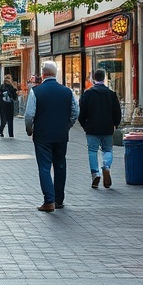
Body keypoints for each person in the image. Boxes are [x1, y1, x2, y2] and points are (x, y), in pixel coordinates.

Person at [24, 61, 79, 212]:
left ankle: (49, 201)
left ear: (43, 74)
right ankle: (59, 199)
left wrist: (30, 129)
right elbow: (75, 112)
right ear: (55, 74)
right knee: (60, 165)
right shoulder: (67, 91)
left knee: (44, 167)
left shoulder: (36, 91)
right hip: (61, 135)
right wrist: (67, 125)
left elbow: (29, 115)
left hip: (42, 136)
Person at [78, 68, 123, 189]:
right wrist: (115, 124)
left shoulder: (87, 94)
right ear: (104, 78)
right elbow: (117, 112)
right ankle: (106, 166)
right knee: (107, 150)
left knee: (92, 151)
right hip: (107, 128)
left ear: (93, 79)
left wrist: (84, 125)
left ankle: (95, 173)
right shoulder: (111, 94)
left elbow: (81, 113)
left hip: (92, 128)